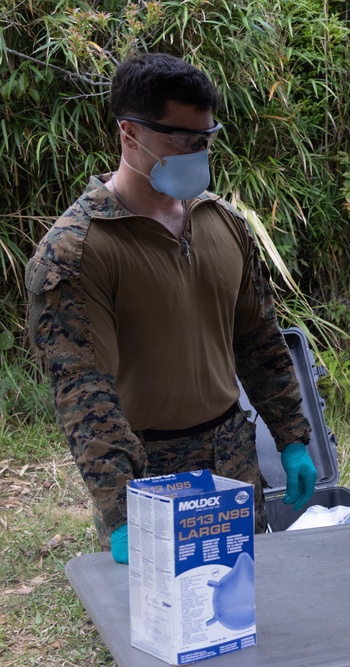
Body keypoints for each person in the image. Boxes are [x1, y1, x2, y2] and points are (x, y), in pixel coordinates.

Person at [25, 53, 317, 564]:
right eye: (180, 140)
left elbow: (259, 339)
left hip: (233, 460)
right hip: (150, 474)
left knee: (243, 610)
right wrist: (121, 512)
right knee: (160, 632)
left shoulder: (222, 223)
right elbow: (83, 390)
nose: (195, 152)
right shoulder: (77, 250)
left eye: (204, 140)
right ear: (129, 134)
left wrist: (292, 436)